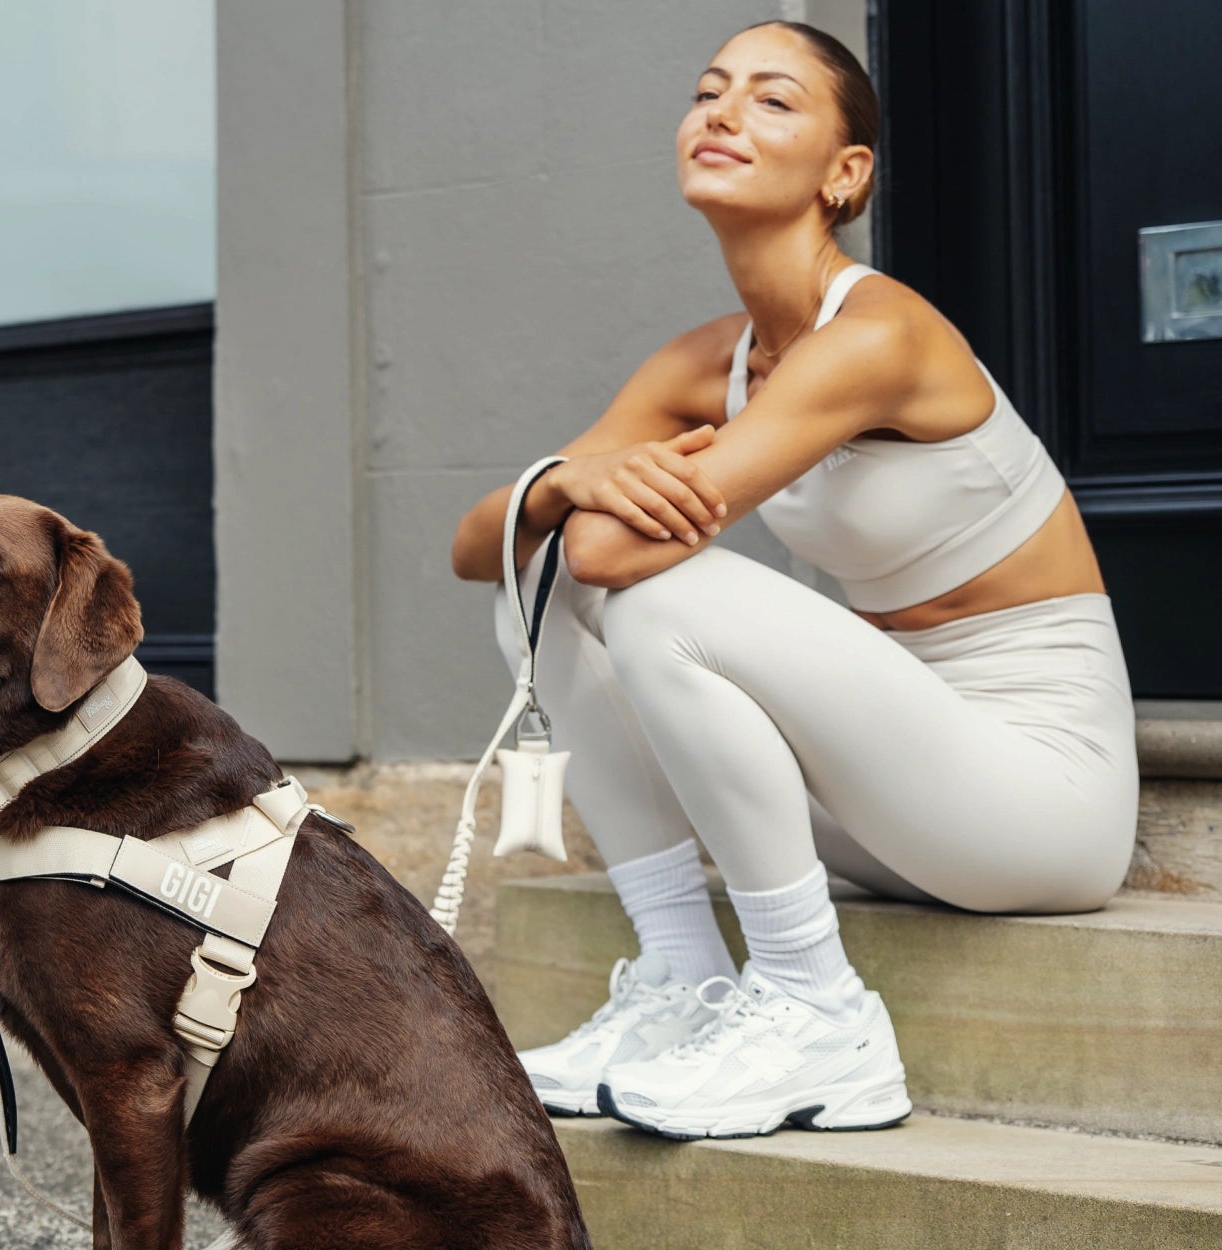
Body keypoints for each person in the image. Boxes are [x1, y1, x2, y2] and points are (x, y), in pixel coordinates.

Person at [449, 21, 1138, 1142]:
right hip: (896, 793)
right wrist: (565, 479)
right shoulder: (705, 361)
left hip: (1037, 805)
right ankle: (684, 981)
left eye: (771, 101)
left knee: (660, 596)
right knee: (543, 583)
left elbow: (611, 555)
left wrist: (580, 499)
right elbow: (484, 549)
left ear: (844, 173)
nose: (722, 113)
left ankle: (818, 1009)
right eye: (708, 92)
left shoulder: (881, 335)